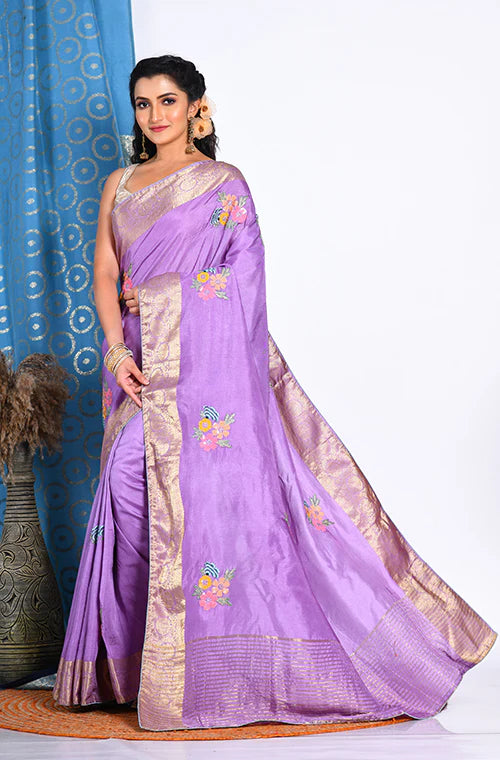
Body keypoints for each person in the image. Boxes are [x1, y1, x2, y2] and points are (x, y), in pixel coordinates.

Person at [53, 54, 497, 732]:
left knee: (206, 505)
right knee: (126, 487)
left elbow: (245, 281)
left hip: (206, 375)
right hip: (140, 366)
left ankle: (218, 664)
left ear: (196, 107)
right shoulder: (121, 184)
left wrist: (167, 298)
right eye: (143, 103)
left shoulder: (222, 183)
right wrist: (115, 351)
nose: (155, 115)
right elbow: (105, 274)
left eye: (168, 101)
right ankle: (144, 663)